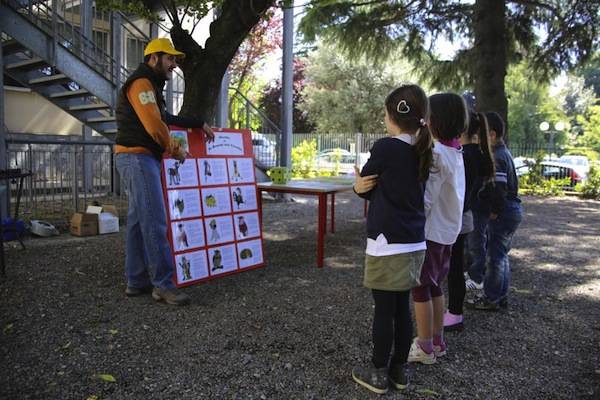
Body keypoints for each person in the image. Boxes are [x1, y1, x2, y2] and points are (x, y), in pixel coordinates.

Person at [115, 38, 214, 306]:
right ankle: (164, 284)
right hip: (138, 158)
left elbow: (164, 118)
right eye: (170, 59)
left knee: (138, 221)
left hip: (136, 157)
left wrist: (198, 123)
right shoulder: (141, 84)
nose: (174, 64)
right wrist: (175, 149)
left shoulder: (150, 86)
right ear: (154, 58)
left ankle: (136, 282)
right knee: (156, 221)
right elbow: (154, 126)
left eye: (174, 59)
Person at [351, 84, 433, 394]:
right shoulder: (423, 149)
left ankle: (377, 372)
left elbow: (367, 183)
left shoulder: (387, 147)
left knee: (384, 311)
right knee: (401, 308)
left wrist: (358, 186)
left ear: (392, 116)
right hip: (415, 243)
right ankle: (399, 370)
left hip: (387, 243)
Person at [408, 93, 466, 365]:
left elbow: (426, 199)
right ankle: (438, 340)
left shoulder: (437, 154)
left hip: (430, 233)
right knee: (435, 287)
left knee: (421, 288)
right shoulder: (456, 151)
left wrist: (410, 220)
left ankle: (425, 345)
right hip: (447, 233)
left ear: (434, 120)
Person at [444, 112, 495, 331]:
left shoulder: (465, 155)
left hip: (455, 216)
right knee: (455, 266)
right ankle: (454, 312)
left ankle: (454, 313)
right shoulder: (479, 154)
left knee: (452, 268)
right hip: (464, 217)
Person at [466, 112, 522, 311]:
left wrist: (495, 211)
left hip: (504, 211)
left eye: (479, 134)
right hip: (512, 209)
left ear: (491, 134)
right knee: (501, 254)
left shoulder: (497, 157)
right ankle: (500, 295)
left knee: (494, 257)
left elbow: (499, 188)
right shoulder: (503, 153)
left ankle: (491, 297)